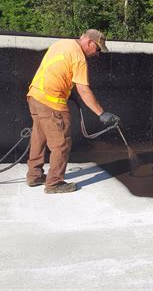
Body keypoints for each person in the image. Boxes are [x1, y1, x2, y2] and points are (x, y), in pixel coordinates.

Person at [25, 29, 119, 194]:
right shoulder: (79, 58)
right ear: (89, 42)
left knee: (39, 137)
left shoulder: (63, 44)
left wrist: (67, 90)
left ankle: (34, 175)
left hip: (35, 96)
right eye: (97, 49)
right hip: (52, 102)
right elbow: (84, 89)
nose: (97, 54)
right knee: (61, 144)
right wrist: (101, 113)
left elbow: (56, 70)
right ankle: (54, 183)